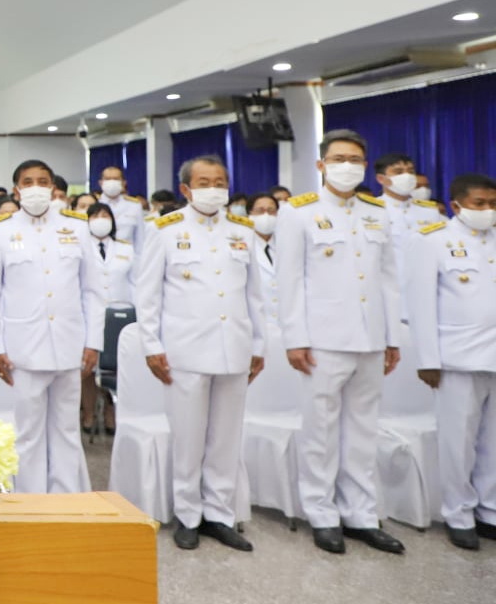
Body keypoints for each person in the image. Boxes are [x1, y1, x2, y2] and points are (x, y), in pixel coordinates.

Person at [276, 129, 404, 554]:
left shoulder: (377, 212)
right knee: (321, 431)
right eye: (338, 159)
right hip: (322, 339)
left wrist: (392, 337)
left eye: (355, 160)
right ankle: (322, 513)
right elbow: (289, 281)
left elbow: (388, 280)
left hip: (371, 338)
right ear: (321, 165)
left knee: (364, 430)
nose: (347, 166)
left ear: (365, 166)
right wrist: (295, 338)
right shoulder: (298, 212)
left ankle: (361, 515)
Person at [136, 155, 265, 551]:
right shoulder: (165, 229)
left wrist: (259, 344)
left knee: (226, 438)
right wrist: (152, 346)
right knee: (188, 438)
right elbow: (147, 294)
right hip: (185, 350)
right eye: (204, 182)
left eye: (220, 182)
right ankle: (188, 515)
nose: (214, 189)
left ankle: (219, 515)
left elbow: (255, 295)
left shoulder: (243, 231)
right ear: (187, 189)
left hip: (234, 347)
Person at [0, 159, 104, 493]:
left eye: (43, 181)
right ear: (16, 189)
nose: (36, 187)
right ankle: (31, 500)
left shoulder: (77, 228)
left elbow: (93, 291)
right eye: (28, 181)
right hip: (23, 349)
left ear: (52, 187)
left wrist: (93, 342)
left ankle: (65, 501)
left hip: (69, 345)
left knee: (67, 431)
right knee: (28, 433)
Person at [403, 173, 496, 550]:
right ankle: (458, 514)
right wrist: (428, 359)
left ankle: (490, 511)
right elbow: (420, 304)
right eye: (479, 204)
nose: (487, 210)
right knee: (458, 443)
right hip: (457, 358)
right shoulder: (433, 240)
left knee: (493, 442)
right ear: (456, 205)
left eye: (493, 204)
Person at [83, 202, 133, 433]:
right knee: (88, 367)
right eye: (95, 215)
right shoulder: (81, 247)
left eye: (105, 215)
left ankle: (110, 411)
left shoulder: (126, 248)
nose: (101, 219)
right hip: (89, 315)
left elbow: (135, 283)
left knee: (115, 365)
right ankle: (89, 412)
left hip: (119, 316)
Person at [248, 193, 282, 327]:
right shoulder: (244, 245)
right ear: (249, 214)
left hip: (285, 324)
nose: (266, 215)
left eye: (271, 210)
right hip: (255, 324)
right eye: (260, 211)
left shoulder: (287, 243)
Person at [97, 165, 146, 246]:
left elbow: (140, 236)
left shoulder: (134, 205)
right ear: (100, 183)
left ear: (124, 183)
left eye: (116, 179)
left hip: (127, 251)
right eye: (108, 179)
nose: (112, 182)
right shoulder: (94, 203)